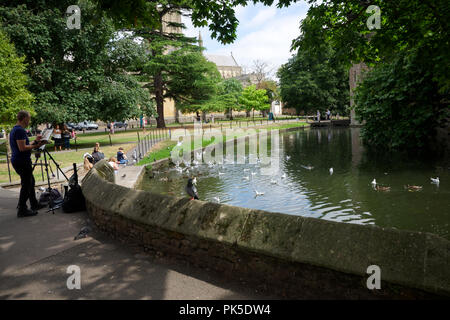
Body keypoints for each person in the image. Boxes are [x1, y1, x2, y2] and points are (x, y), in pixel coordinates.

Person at [9, 110, 45, 217]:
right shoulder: (20, 130)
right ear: (24, 118)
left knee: (30, 182)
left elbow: (24, 144)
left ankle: (34, 204)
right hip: (21, 161)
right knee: (26, 184)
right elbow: (22, 148)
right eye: (28, 118)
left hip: (20, 160)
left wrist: (34, 141)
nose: (29, 120)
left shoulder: (17, 129)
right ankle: (22, 209)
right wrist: (36, 146)